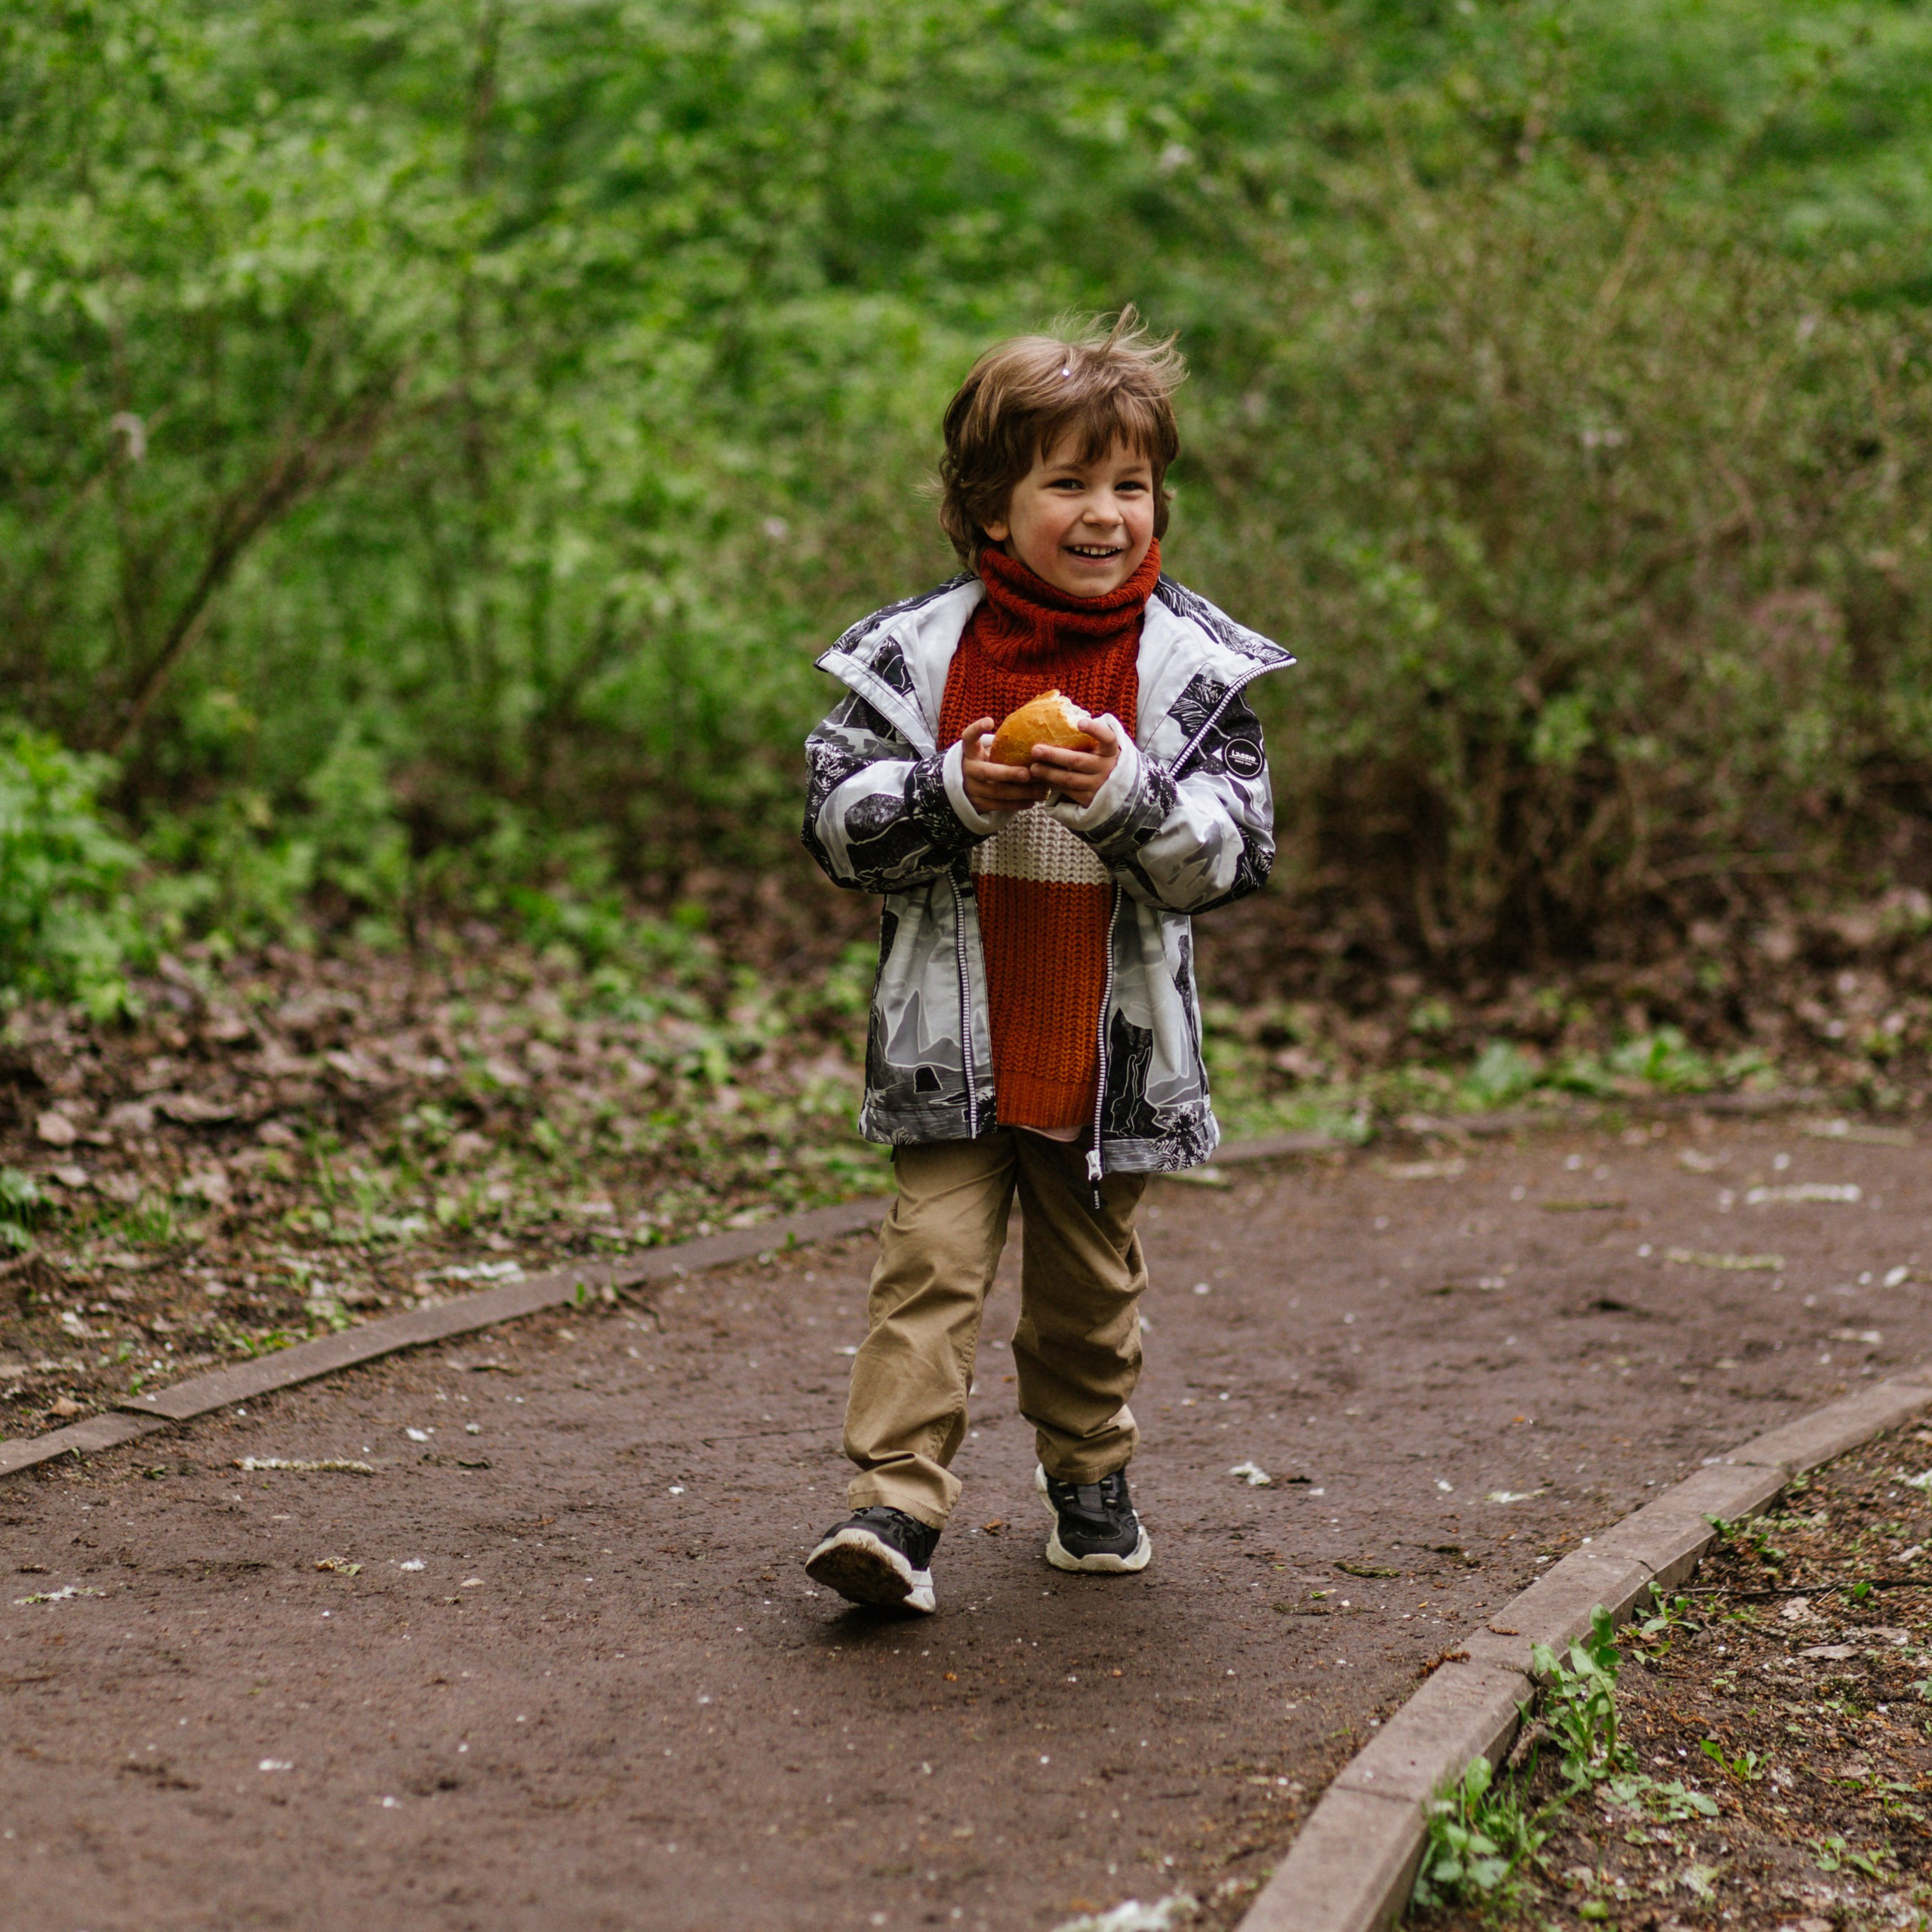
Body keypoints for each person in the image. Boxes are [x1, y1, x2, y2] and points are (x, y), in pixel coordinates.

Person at [798, 309, 1293, 1614]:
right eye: (1066, 482)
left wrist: (1128, 794)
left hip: (1102, 1053)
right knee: (929, 1272)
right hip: (952, 1045)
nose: (1104, 513)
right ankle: (891, 1512)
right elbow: (837, 828)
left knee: (1085, 1295)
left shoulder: (1188, 670)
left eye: (1128, 484)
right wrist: (956, 786)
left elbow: (1235, 857)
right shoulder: (915, 656)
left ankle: (1088, 1473)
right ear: (988, 508)